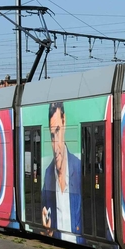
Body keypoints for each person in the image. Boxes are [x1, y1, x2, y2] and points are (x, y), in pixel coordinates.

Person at [41, 102, 82, 237]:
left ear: (64, 122)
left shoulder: (79, 168)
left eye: (57, 131)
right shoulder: (48, 175)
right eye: (52, 136)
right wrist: (48, 231)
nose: (56, 145)